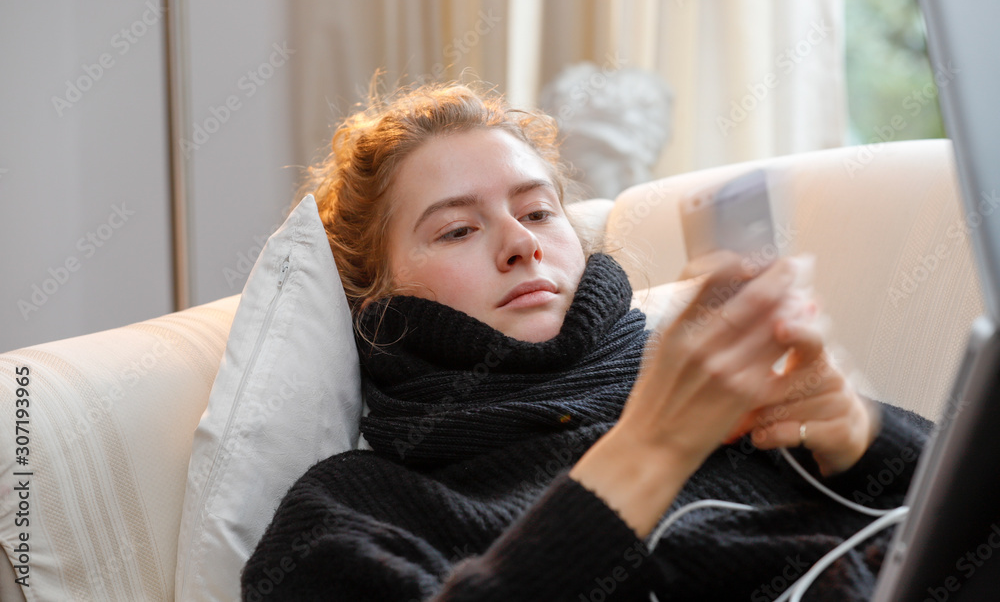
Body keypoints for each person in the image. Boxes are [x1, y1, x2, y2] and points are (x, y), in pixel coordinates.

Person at [241, 81, 931, 601]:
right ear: (376, 300)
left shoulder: (744, 401)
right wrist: (650, 450)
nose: (520, 243)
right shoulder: (347, 508)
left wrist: (868, 436)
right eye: (457, 229)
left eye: (538, 210)